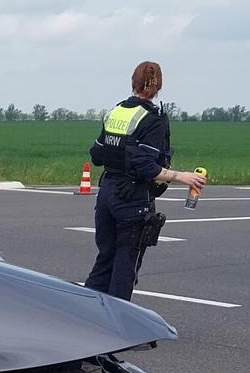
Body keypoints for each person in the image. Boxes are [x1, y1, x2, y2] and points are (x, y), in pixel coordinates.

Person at [83, 61, 206, 301]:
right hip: (133, 198)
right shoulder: (154, 119)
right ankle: (118, 328)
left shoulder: (116, 111)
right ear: (158, 86)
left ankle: (85, 319)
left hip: (107, 193)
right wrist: (182, 176)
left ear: (133, 82)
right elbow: (146, 166)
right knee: (125, 266)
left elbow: (96, 155)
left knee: (105, 258)